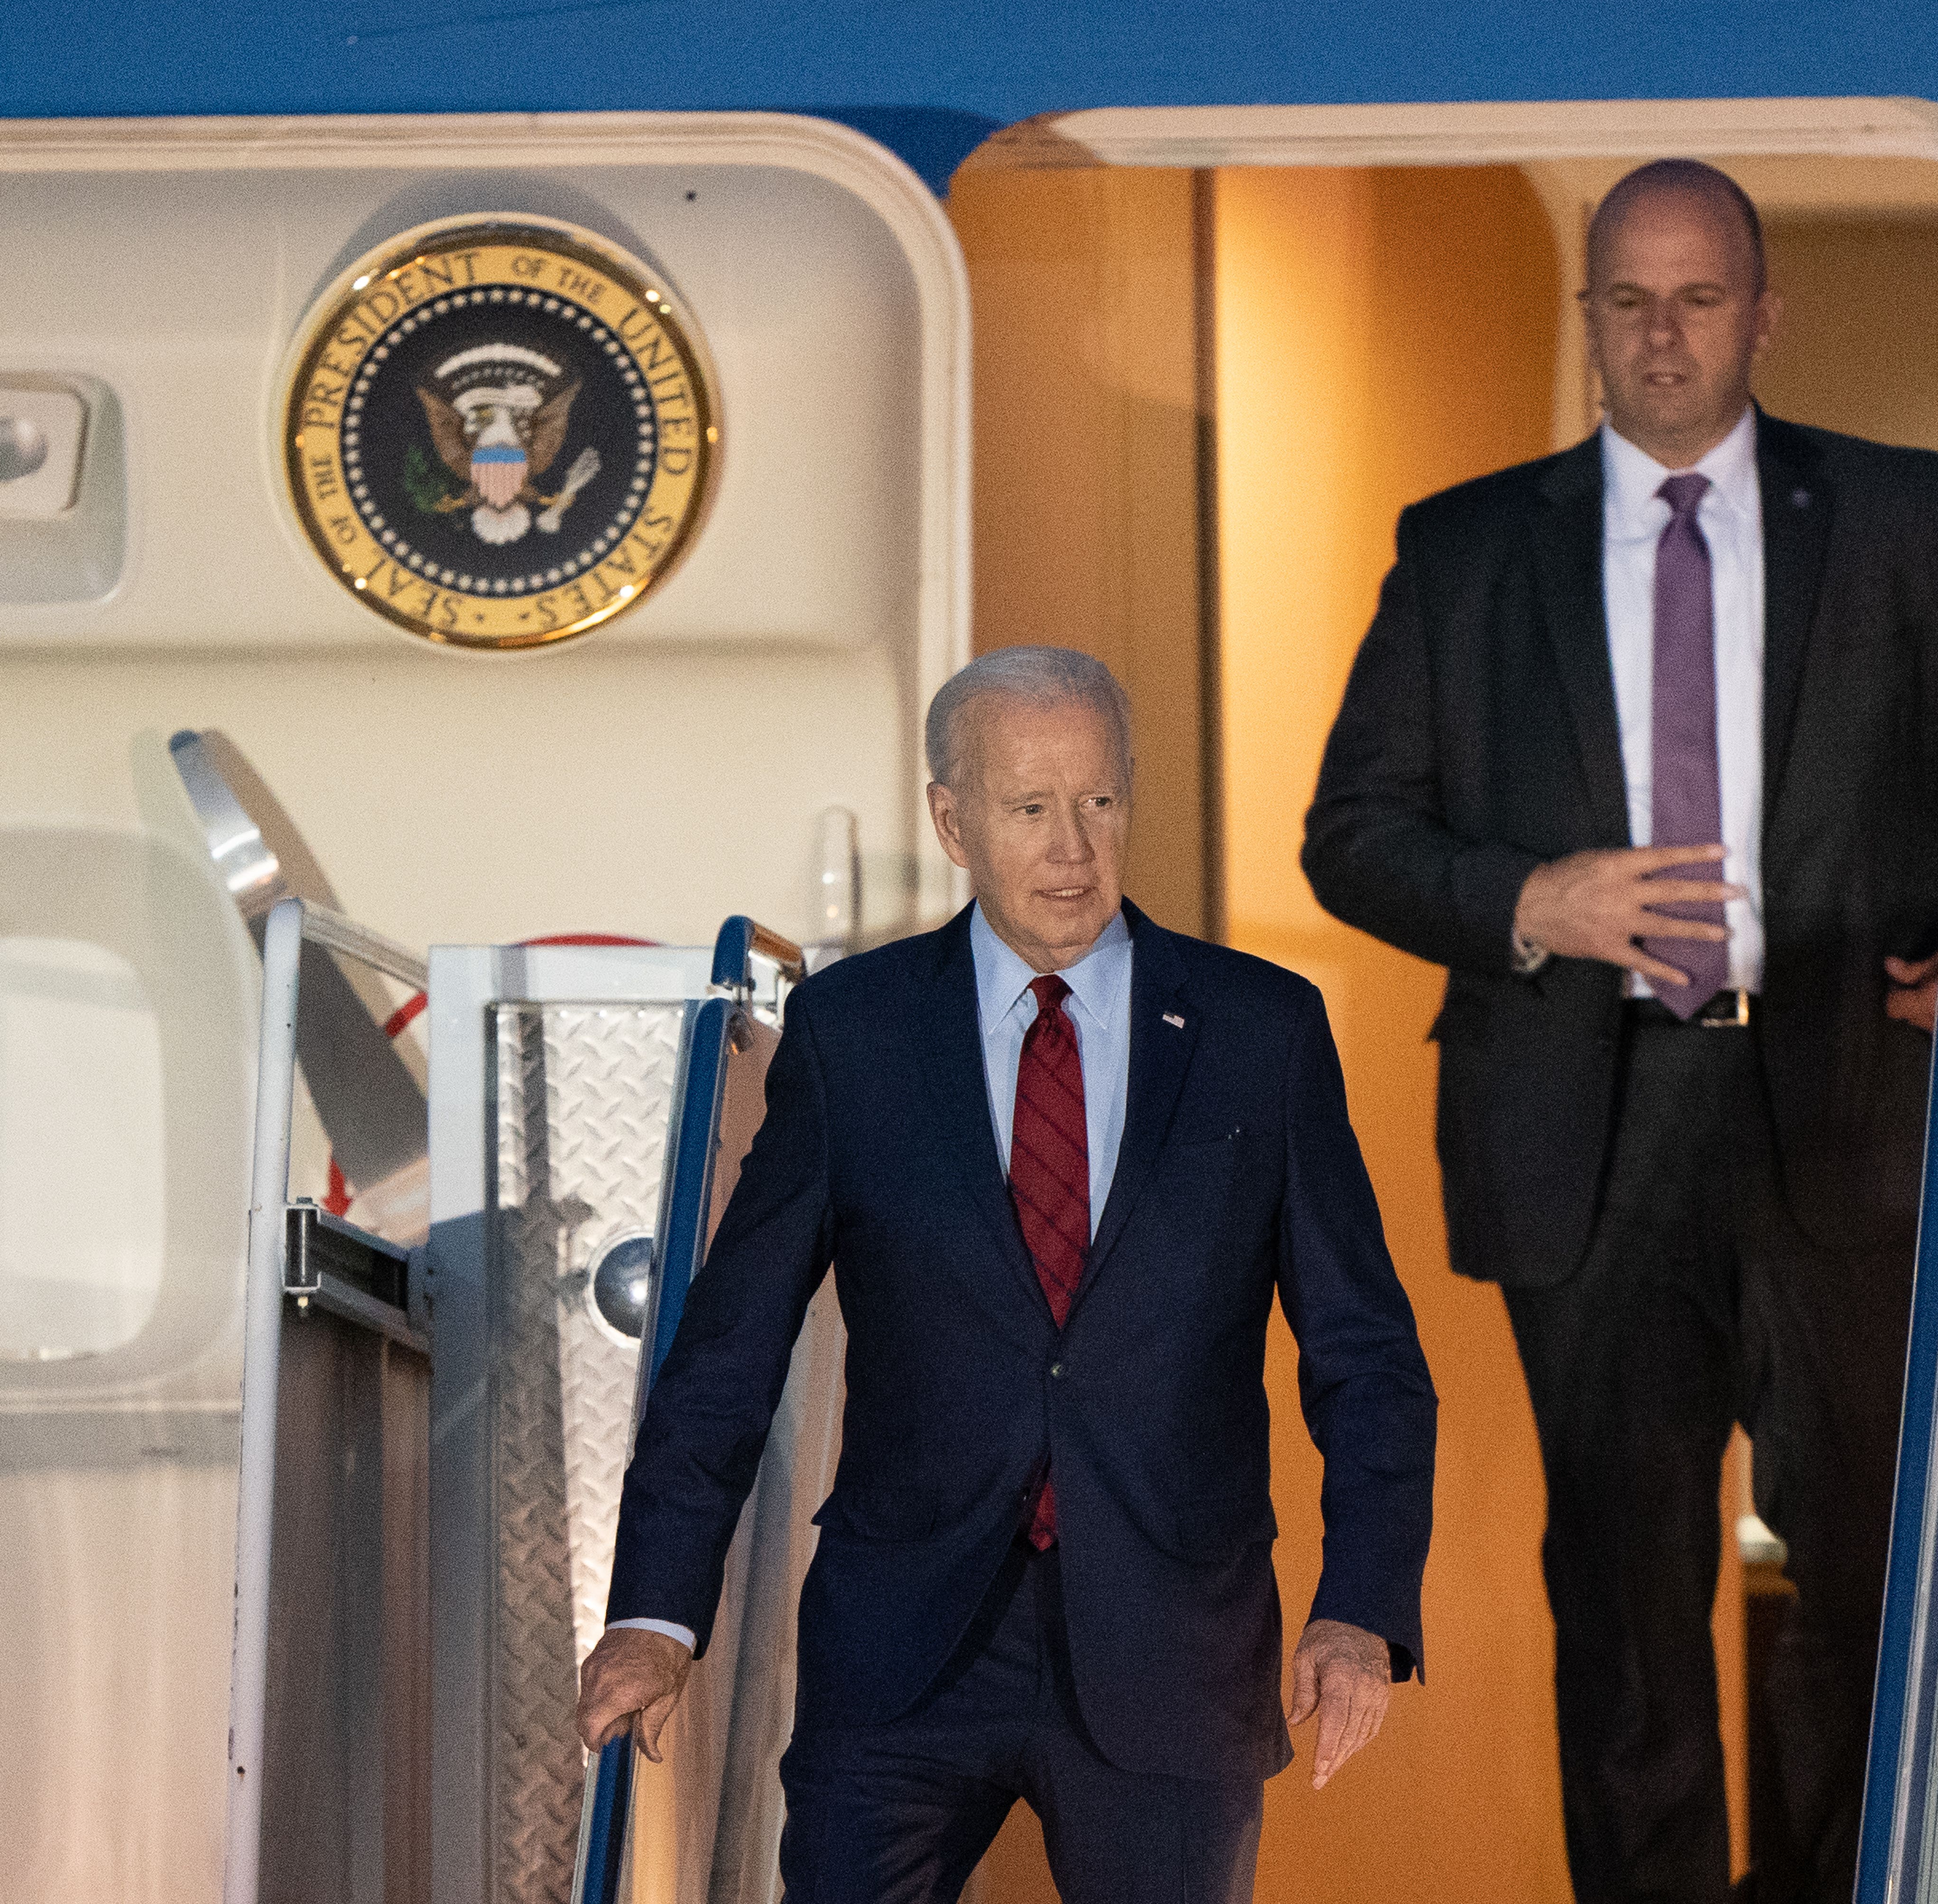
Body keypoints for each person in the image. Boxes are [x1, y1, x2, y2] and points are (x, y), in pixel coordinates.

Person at [1300, 160, 1938, 1904]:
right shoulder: (1467, 549)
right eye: (1628, 299)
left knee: (1861, 1580)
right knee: (1621, 1598)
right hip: (1584, 1131)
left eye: (1699, 298)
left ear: (1764, 312)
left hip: (1848, 1100)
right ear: (1590, 318)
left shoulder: (1904, 518)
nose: (1663, 334)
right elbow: (1355, 831)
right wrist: (1535, 898)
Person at [577, 645, 1437, 1904]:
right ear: (953, 820)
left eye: (1100, 803)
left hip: (1174, 1646)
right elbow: (732, 1345)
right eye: (1032, 809)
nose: (1073, 848)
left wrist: (1359, 1605)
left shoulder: (1262, 1034)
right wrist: (657, 1614)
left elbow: (1365, 1355)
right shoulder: (856, 1036)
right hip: (904, 1647)